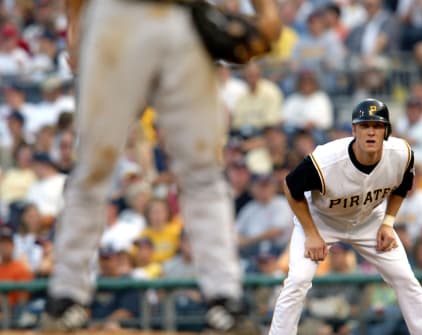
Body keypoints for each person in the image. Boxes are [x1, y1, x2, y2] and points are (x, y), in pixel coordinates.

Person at [41, 0, 281, 332]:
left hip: (185, 16)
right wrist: (77, 25)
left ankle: (225, 298)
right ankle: (66, 297)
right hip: (116, 16)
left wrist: (267, 11)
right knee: (94, 168)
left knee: (203, 172)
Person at [268, 98, 422, 335]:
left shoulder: (401, 153)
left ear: (386, 131)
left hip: (369, 220)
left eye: (377, 126)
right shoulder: (326, 160)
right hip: (321, 220)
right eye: (364, 125)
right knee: (297, 280)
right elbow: (290, 186)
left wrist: (389, 223)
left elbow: (402, 187)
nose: (371, 132)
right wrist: (311, 233)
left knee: (405, 279)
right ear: (354, 130)